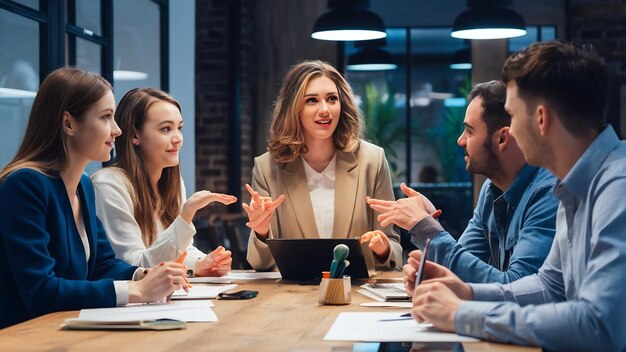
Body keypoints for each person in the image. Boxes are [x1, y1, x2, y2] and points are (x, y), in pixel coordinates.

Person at [403, 41, 626, 350]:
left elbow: (599, 324)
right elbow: (549, 287)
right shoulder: (575, 184)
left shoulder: (618, 187)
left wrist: (463, 313)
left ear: (541, 119)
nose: (510, 131)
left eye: (512, 114)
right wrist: (468, 293)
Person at [0, 67, 189, 329]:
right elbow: (40, 290)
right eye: (106, 117)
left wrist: (143, 275)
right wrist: (138, 291)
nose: (117, 130)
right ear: (68, 123)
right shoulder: (25, 185)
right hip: (24, 338)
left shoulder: (84, 186)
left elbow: (103, 264)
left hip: (65, 331)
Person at [368, 81, 558, 284]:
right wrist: (429, 224)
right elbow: (460, 270)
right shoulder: (491, 189)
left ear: (502, 138)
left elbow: (516, 288)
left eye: (469, 130)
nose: (460, 140)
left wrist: (425, 226)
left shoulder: (547, 193)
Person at [244, 60, 402, 271]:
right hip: (293, 300)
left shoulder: (372, 160)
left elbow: (394, 253)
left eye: (332, 99)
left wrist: (383, 249)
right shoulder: (266, 167)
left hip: (357, 298)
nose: (325, 110)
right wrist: (261, 232)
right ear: (294, 108)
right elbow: (261, 266)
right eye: (312, 100)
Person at [92, 88, 236, 276]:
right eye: (166, 129)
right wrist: (186, 215)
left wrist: (202, 262)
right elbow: (135, 267)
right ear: (135, 135)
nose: (177, 139)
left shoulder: (173, 183)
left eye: (179, 128)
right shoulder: (108, 185)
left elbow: (179, 250)